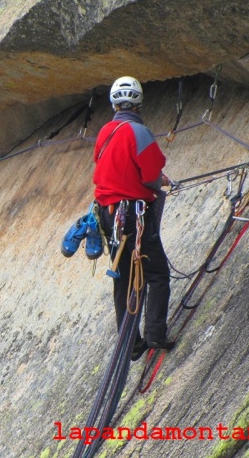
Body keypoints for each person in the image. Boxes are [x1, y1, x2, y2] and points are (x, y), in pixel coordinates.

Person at [93, 76, 174, 361]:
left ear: (113, 103)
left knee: (124, 278)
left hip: (109, 215)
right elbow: (150, 174)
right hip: (134, 216)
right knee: (157, 275)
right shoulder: (139, 131)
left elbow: (109, 166)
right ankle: (155, 334)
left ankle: (131, 344)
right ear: (139, 103)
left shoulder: (105, 132)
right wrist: (160, 181)